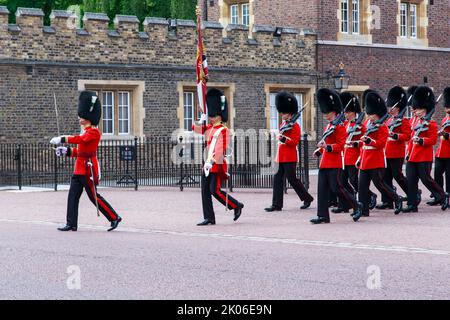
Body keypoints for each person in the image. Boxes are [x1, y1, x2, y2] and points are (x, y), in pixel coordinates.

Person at [51, 91, 122, 232]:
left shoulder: (94, 132)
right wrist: (67, 152)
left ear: (88, 117)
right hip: (79, 169)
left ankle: (114, 217)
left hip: (88, 170)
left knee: (93, 197)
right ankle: (71, 223)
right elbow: (80, 152)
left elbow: (81, 140)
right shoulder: (86, 131)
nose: (79, 118)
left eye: (81, 116)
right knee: (72, 196)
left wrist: (63, 138)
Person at [310, 88, 362, 224]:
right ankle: (323, 216)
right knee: (322, 189)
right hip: (325, 162)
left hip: (336, 162)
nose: (326, 115)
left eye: (328, 113)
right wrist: (319, 151)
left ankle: (356, 205)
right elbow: (326, 143)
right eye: (325, 113)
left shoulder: (339, 127)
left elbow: (341, 145)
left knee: (337, 188)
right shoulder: (329, 126)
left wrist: (327, 147)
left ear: (335, 112)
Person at [193, 88, 244, 226]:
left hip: (216, 164)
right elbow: (195, 129)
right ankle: (209, 218)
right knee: (204, 191)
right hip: (207, 163)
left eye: (213, 115)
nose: (211, 117)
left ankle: (236, 205)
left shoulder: (224, 130)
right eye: (211, 115)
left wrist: (212, 161)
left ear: (220, 116)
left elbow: (220, 148)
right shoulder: (209, 127)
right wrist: (201, 117)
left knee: (214, 191)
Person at [355, 91, 403, 221]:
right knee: (362, 186)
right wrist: (359, 158)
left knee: (380, 184)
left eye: (373, 115)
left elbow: (382, 144)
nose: (370, 117)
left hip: (376, 160)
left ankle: (396, 198)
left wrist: (370, 141)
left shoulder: (382, 127)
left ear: (378, 114)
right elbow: (362, 144)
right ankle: (362, 210)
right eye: (369, 114)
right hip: (365, 159)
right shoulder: (366, 125)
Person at [265, 91, 314, 212]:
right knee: (277, 180)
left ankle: (307, 198)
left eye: (284, 112)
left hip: (290, 156)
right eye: (282, 112)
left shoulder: (295, 126)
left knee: (292, 179)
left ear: (290, 113)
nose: (282, 114)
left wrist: (284, 139)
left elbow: (294, 142)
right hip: (280, 155)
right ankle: (276, 204)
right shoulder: (283, 124)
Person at [403, 86, 449, 213]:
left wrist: (422, 141)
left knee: (426, 179)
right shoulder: (414, 122)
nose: (416, 111)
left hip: (424, 156)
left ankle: (443, 196)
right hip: (412, 156)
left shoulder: (431, 123)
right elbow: (410, 139)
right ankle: (412, 204)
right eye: (416, 109)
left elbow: (433, 140)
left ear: (425, 109)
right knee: (411, 180)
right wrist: (408, 153)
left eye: (419, 109)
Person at [377, 86, 411, 209]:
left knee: (398, 176)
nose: (390, 109)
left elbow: (407, 136)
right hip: (387, 152)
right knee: (386, 177)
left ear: (397, 107)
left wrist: (395, 136)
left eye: (392, 107)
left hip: (397, 152)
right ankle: (388, 201)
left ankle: (412, 194)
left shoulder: (403, 120)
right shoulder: (388, 120)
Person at [332, 92, 364, 214]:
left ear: (353, 112)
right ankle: (344, 205)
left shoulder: (360, 126)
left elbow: (363, 142)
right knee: (342, 182)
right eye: (345, 112)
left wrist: (356, 143)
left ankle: (367, 196)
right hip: (344, 157)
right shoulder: (344, 125)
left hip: (353, 156)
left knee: (354, 181)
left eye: (347, 112)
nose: (345, 114)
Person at [434, 87, 450, 193]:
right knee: (437, 173)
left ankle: (448, 195)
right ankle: (439, 195)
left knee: (449, 176)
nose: (446, 108)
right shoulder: (444, 119)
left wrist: (446, 134)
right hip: (442, 150)